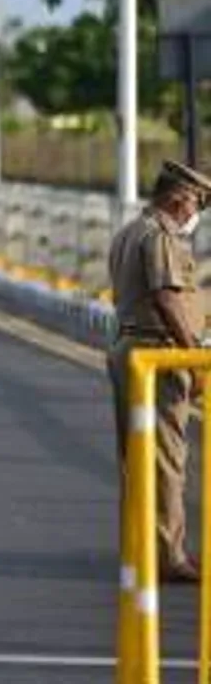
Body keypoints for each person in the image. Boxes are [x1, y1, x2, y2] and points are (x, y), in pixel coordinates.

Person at [106, 159, 211, 584]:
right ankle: (168, 555)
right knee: (166, 458)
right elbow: (167, 299)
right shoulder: (160, 237)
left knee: (138, 457)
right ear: (178, 197)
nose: (197, 212)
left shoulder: (131, 230)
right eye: (198, 202)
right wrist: (194, 358)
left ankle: (143, 544)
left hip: (132, 347)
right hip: (157, 354)